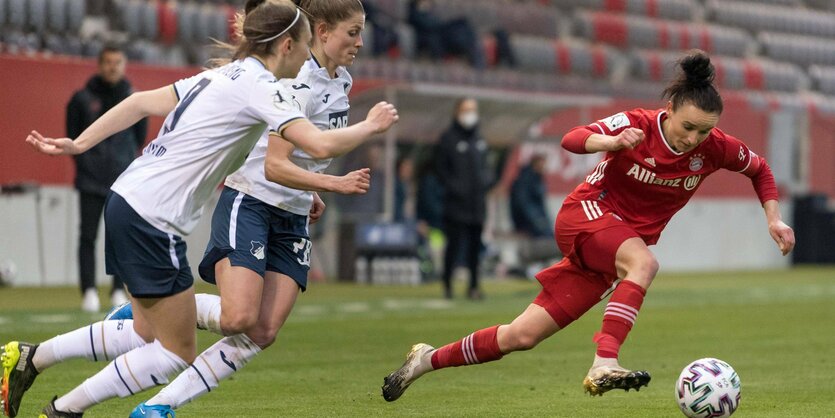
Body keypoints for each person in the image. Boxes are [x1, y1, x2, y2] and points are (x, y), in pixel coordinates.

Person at [3, 1, 397, 417]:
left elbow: (139, 103)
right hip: (153, 217)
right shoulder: (264, 88)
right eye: (301, 46)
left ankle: (31, 363)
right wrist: (370, 126)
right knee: (174, 353)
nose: (304, 58)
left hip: (130, 201)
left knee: (146, 333)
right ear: (286, 45)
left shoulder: (224, 75)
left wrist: (79, 143)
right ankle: (63, 411)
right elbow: (316, 145)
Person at [381, 50, 795, 402]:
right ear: (668, 112)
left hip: (611, 246)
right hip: (586, 215)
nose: (694, 138)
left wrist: (773, 218)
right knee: (644, 265)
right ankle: (604, 363)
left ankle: (425, 360)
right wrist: (610, 143)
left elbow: (760, 170)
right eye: (688, 127)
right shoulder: (639, 124)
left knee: (520, 336)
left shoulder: (717, 147)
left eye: (704, 130)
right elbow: (573, 137)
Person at [122, 1, 375, 415]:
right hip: (253, 201)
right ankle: (151, 306)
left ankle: (159, 407)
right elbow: (274, 165)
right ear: (324, 31)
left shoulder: (340, 80)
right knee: (238, 317)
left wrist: (311, 190)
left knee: (263, 330)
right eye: (353, 32)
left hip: (292, 214)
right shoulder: (296, 80)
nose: (360, 42)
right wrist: (332, 183)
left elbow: (298, 158)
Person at [67, 44, 146, 312]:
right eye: (108, 62)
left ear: (124, 64)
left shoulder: (133, 98)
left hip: (122, 181)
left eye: (118, 62)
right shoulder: (81, 98)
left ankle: (117, 290)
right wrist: (88, 165)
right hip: (90, 181)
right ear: (100, 64)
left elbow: (138, 138)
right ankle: (88, 291)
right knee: (87, 236)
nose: (113, 67)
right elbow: (74, 138)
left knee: (121, 235)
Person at [435, 97, 493, 300]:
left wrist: (486, 182)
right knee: (454, 246)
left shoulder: (479, 139)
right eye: (466, 109)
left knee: (475, 249)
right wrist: (455, 188)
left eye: (473, 110)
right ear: (457, 112)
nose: (470, 114)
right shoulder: (448, 139)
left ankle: (474, 286)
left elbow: (487, 168)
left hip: (477, 205)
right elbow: (440, 170)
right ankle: (447, 285)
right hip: (456, 205)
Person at [510, 154, 552, 238]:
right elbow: (523, 203)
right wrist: (538, 221)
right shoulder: (526, 179)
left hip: (535, 219)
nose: (544, 167)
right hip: (528, 222)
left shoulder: (537, 178)